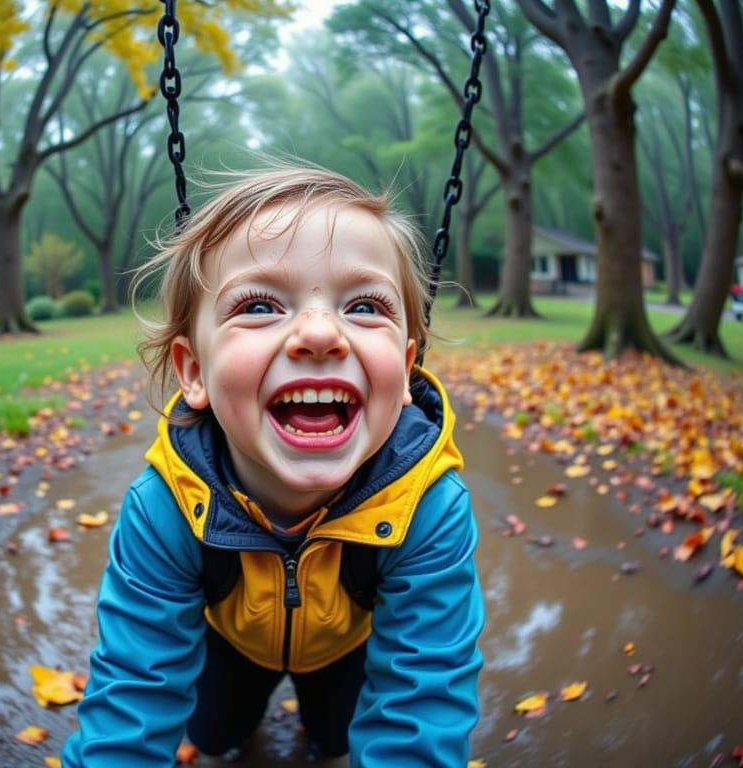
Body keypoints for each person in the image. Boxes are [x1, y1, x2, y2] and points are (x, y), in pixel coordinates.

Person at [61, 166, 484, 767]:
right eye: (259, 306)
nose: (318, 333)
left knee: (335, 742)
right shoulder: (165, 510)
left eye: (364, 306)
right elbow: (130, 700)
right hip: (232, 647)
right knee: (215, 740)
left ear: (408, 367)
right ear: (194, 371)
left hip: (348, 650)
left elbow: (424, 704)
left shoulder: (429, 507)